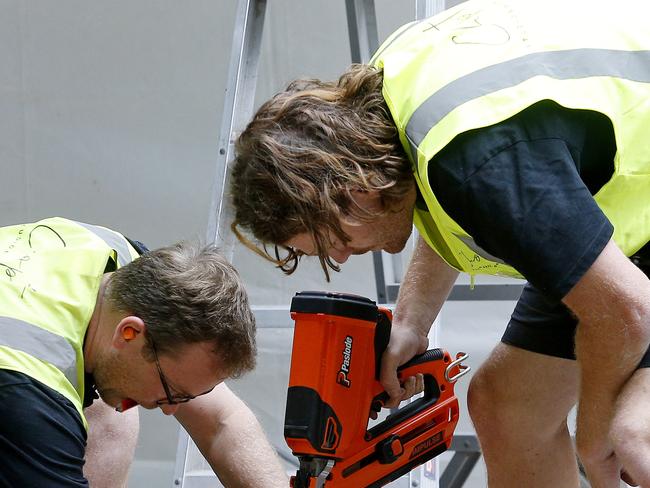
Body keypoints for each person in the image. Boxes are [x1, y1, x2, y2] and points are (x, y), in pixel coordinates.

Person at [228, 0, 650, 486]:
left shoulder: (480, 164)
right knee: (507, 407)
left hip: (625, 266)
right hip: (617, 215)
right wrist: (411, 323)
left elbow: (627, 311)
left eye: (332, 243)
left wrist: (593, 439)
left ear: (357, 191)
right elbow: (448, 192)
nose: (341, 258)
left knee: (632, 434)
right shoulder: (389, 103)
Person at [0, 217, 287, 487]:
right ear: (130, 333)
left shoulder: (127, 266)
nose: (170, 409)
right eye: (172, 391)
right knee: (116, 407)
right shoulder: (31, 388)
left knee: (118, 400)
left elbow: (222, 421)